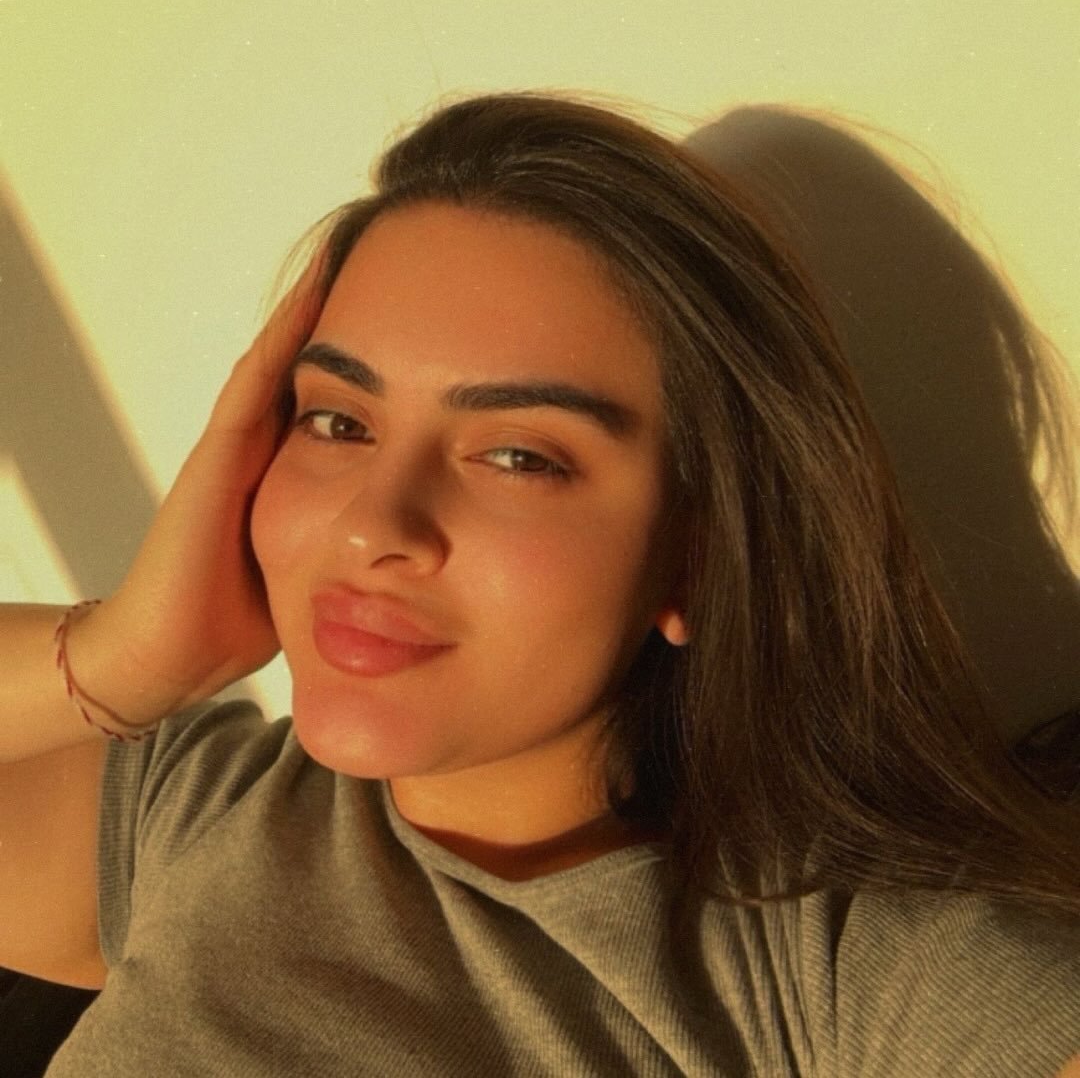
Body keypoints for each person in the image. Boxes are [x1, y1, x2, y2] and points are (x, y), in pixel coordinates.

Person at [1, 92, 1078, 1077]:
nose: (373, 525)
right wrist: (123, 658)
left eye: (519, 456)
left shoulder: (845, 971)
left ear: (698, 556)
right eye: (338, 421)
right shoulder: (195, 810)